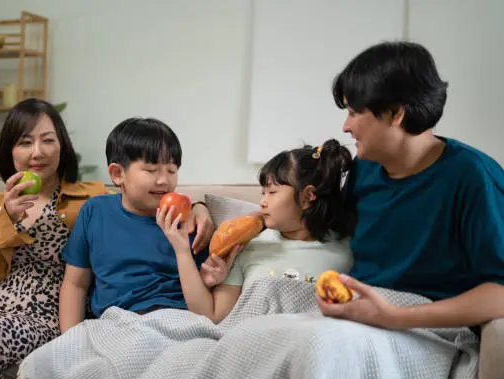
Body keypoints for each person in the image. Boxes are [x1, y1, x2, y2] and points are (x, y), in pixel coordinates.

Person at [0, 99, 214, 379]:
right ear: (10, 151)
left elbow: (148, 189)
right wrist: (6, 219)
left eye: (48, 140)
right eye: (25, 142)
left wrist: (199, 207)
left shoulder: (87, 197)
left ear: (62, 146)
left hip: (42, 311)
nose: (38, 151)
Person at [317, 40, 504, 331]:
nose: (345, 127)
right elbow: (331, 233)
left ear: (395, 113)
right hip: (358, 317)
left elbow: (501, 292)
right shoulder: (364, 168)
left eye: (354, 112)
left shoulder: (473, 177)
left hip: (427, 328)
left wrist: (394, 317)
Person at [157, 139, 354, 323]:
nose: (262, 202)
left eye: (272, 192)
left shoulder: (347, 251)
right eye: (262, 193)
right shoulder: (248, 245)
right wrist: (183, 251)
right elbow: (211, 316)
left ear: (307, 196)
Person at [58, 117, 215, 334]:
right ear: (117, 174)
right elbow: (75, 285)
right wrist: (69, 340)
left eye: (171, 170)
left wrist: (200, 208)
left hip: (177, 322)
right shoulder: (95, 212)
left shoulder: (188, 220)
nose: (164, 181)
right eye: (151, 170)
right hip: (116, 326)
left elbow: (205, 301)